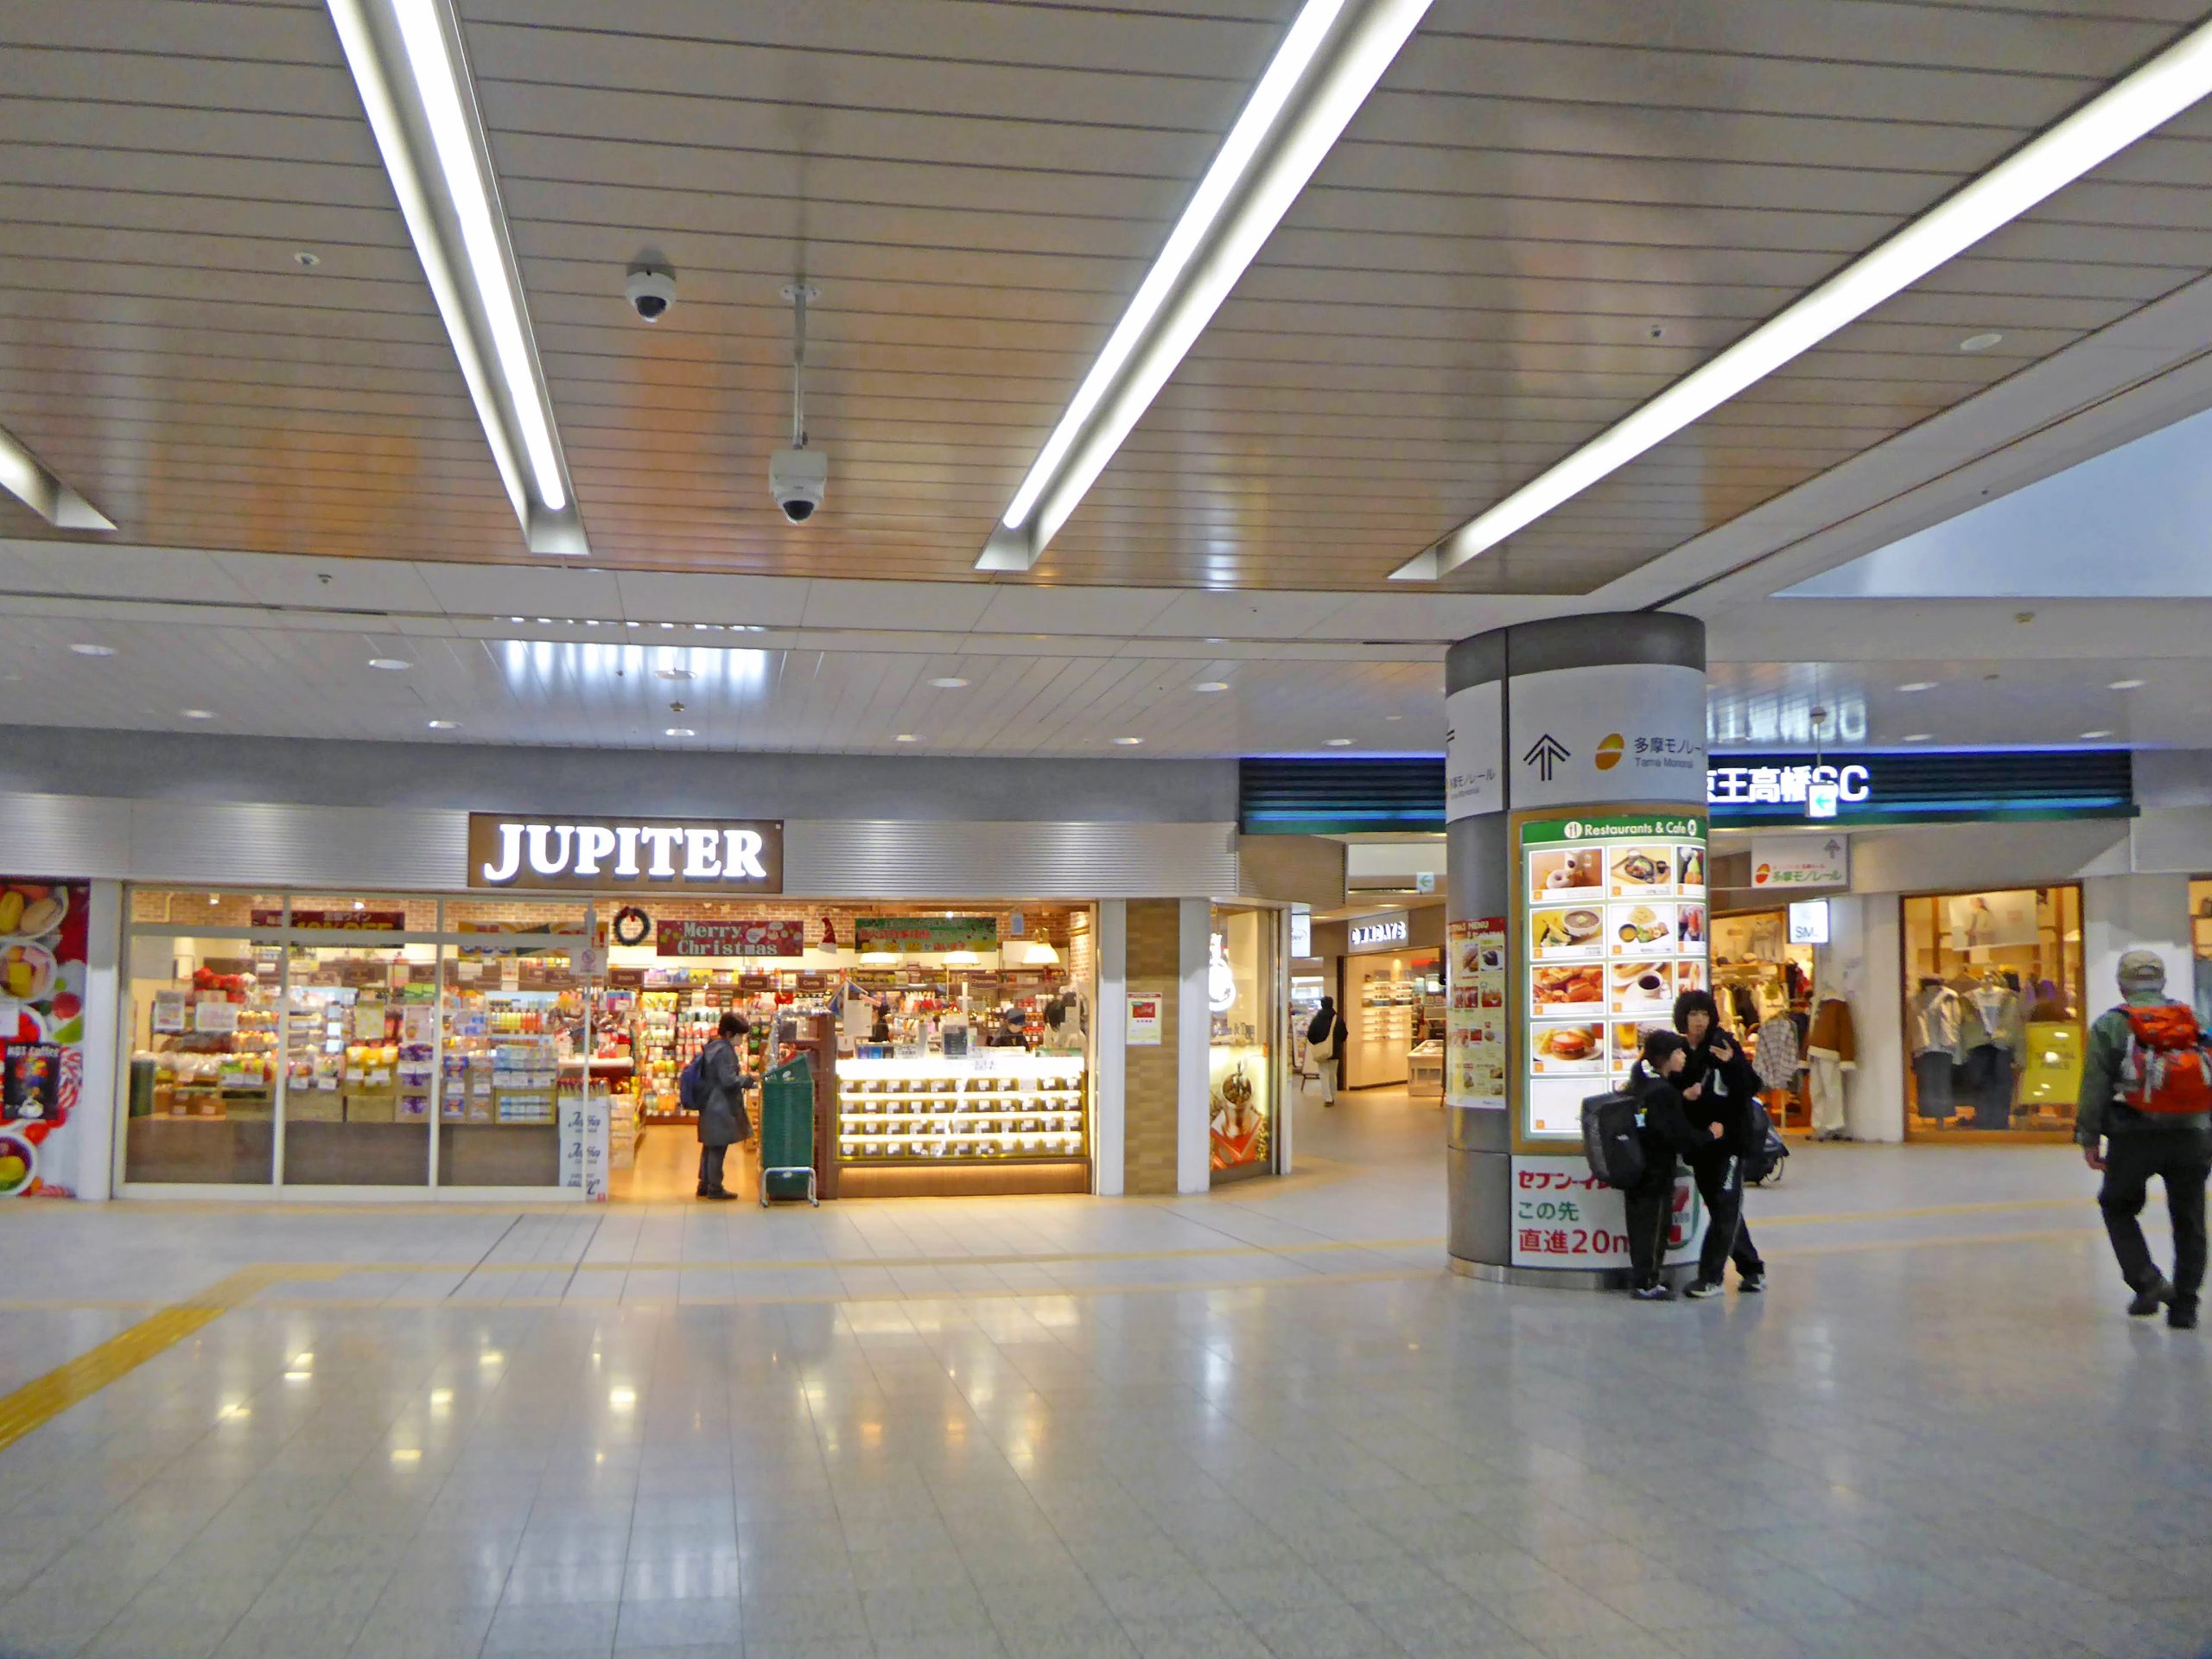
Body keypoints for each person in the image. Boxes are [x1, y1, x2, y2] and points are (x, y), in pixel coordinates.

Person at [2077, 950, 2209, 1329]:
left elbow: (2095, 1085)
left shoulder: (2112, 1024)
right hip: (2193, 1134)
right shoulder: (2194, 1020)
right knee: (2190, 1218)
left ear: (2122, 985)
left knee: (2117, 1205)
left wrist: (2089, 1137)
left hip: (2133, 1134)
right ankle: (2185, 1306)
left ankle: (2147, 1282)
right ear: (2163, 981)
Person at [1673, 989, 1768, 1297]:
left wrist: (1731, 1064)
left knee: (1726, 1207)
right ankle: (1752, 1269)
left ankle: (1710, 1277)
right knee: (1721, 1208)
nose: (1699, 1021)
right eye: (1693, 1014)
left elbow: (1751, 1085)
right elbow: (1672, 1086)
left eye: (1704, 1014)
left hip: (1730, 1143)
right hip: (1702, 1144)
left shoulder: (1722, 1043)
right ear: (1683, 1018)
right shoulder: (1681, 1051)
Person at [1624, 1030, 1718, 1300]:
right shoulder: (1663, 1092)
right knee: (1654, 1228)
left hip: (1637, 1169)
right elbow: (1677, 1134)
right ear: (1664, 1058)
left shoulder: (1643, 1085)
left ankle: (1644, 1278)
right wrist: (1709, 1135)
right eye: (1678, 1052)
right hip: (1656, 1171)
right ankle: (1647, 1283)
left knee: (1640, 1226)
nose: (1683, 1056)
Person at [696, 1012, 753, 1201]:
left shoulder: (713, 1046)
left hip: (709, 1103)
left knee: (710, 1146)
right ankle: (715, 1188)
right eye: (739, 1035)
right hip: (720, 1106)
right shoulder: (725, 1051)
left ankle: (704, 1184)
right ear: (729, 1033)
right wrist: (747, 1080)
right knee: (718, 1147)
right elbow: (729, 1081)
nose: (741, 1039)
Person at [1306, 996, 1348, 1105]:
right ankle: (1333, 1095)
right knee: (1332, 1074)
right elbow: (1344, 1034)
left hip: (1321, 1052)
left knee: (1323, 1074)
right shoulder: (1337, 1019)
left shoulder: (1317, 1019)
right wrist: (1337, 1043)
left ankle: (1327, 1098)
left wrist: (1318, 1043)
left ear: (1322, 1005)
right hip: (1335, 1051)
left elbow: (1310, 1035)